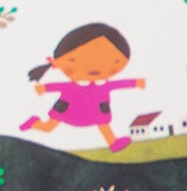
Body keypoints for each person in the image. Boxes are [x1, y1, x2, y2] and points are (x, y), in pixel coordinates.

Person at [21, 22, 149, 148]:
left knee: (103, 125)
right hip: (67, 111)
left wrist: (135, 83)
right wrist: (44, 88)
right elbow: (58, 86)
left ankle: (113, 143)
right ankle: (33, 124)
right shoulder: (73, 86)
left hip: (96, 112)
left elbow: (119, 84)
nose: (95, 67)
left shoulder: (103, 85)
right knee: (48, 127)